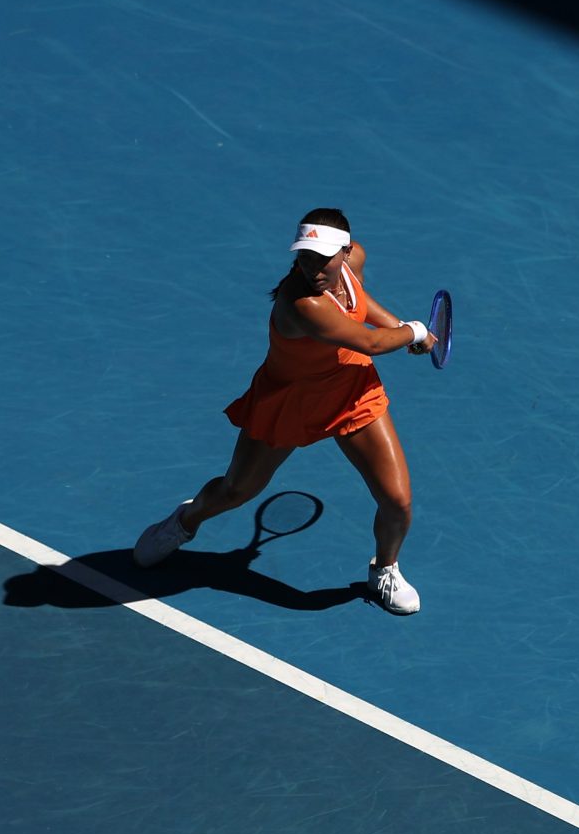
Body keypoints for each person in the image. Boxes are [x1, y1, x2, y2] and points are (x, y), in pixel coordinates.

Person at [133, 209, 437, 614]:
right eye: (305, 257)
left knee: (397, 501)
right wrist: (414, 331)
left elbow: (360, 300)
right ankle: (185, 521)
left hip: (351, 390)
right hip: (290, 402)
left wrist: (399, 324)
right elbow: (373, 344)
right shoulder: (303, 304)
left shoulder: (354, 262)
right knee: (236, 490)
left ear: (346, 252)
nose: (312, 268)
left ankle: (385, 568)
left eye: (323, 259)